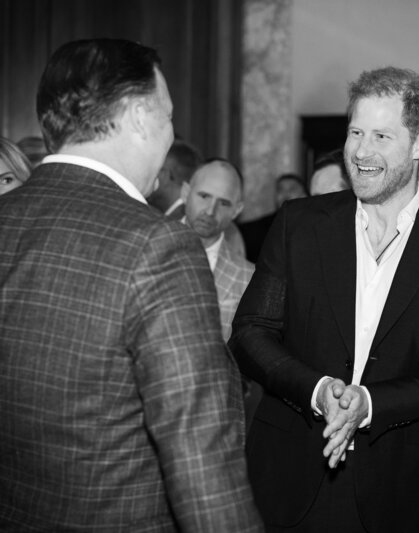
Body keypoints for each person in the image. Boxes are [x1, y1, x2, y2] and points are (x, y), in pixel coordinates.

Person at [0, 38, 263, 531]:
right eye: (168, 117)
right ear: (141, 116)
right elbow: (200, 458)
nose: (169, 136)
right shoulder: (157, 245)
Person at [230, 66, 419, 533]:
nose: (361, 151)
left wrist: (370, 403)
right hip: (292, 477)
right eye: (355, 132)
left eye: (380, 135)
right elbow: (252, 331)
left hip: (407, 490)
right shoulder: (300, 223)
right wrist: (318, 391)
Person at [182, 158, 255, 341]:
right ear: (185, 193)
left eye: (223, 203)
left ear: (237, 210)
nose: (210, 210)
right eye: (204, 196)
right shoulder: (148, 249)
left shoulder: (248, 277)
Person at [238, 172, 309, 262]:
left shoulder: (315, 226)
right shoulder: (256, 230)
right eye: (280, 189)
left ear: (305, 196)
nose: (285, 194)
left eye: (292, 189)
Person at [148, 138, 203, 218]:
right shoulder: (192, 216)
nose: (148, 175)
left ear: (165, 175)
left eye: (152, 169)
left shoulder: (178, 222)